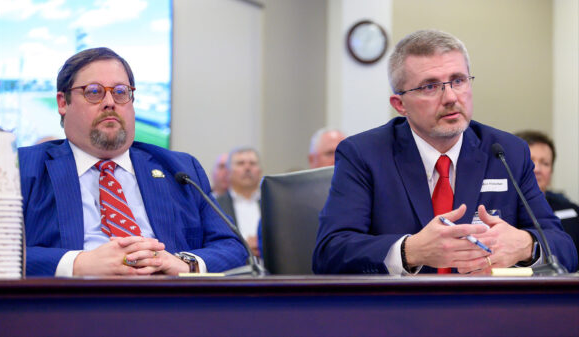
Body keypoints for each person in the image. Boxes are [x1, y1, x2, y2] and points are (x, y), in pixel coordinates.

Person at [313, 29, 577, 275]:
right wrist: (411, 251)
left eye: (458, 80)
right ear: (400, 104)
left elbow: (564, 248)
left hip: (487, 313)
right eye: (430, 86)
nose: (451, 97)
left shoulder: (506, 152)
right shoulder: (364, 155)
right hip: (398, 315)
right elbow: (330, 253)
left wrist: (526, 245)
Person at [19, 47, 247, 277]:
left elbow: (234, 247)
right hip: (73, 306)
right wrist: (78, 263)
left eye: (120, 91)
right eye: (94, 92)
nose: (110, 102)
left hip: (170, 304)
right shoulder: (23, 168)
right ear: (63, 103)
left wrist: (185, 264)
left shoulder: (181, 170)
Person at [515, 130, 579, 260]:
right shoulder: (502, 209)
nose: (537, 169)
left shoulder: (572, 211)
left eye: (545, 163)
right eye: (530, 161)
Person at [216, 147, 263, 257]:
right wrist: (243, 247)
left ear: (260, 171)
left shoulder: (272, 204)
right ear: (228, 172)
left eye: (252, 163)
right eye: (241, 163)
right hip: (234, 270)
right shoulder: (216, 205)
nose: (247, 167)